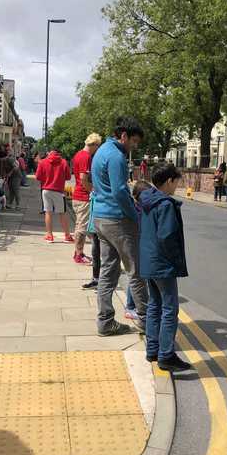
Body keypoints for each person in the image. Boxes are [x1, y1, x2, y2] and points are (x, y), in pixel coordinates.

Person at [91, 117, 148, 336]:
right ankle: (145, 320)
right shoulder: (116, 156)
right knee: (136, 271)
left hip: (101, 218)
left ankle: (105, 322)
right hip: (118, 220)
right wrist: (135, 215)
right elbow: (119, 191)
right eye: (133, 141)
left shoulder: (101, 152)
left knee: (108, 271)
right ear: (123, 135)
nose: (134, 146)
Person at [139, 164, 192, 372]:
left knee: (154, 305)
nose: (178, 186)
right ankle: (166, 355)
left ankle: (152, 350)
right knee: (170, 309)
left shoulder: (146, 199)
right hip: (163, 263)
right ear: (169, 181)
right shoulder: (166, 204)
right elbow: (167, 236)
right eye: (177, 181)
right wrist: (176, 262)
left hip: (148, 260)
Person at [71, 133, 102, 263]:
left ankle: (78, 253)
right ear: (94, 145)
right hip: (83, 196)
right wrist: (92, 190)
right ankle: (79, 255)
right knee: (82, 227)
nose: (98, 149)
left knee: (80, 225)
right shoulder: (86, 157)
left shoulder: (78, 154)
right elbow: (83, 178)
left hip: (77, 195)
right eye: (98, 146)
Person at [125, 179, 152, 321]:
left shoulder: (137, 208)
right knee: (137, 277)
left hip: (139, 246)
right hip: (137, 246)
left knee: (137, 277)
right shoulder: (137, 210)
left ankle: (131, 306)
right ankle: (131, 306)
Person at [35, 148, 73, 243]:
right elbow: (68, 177)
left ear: (49, 153)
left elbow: (38, 177)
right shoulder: (63, 162)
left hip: (46, 190)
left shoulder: (43, 162)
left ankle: (49, 235)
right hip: (59, 191)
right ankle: (67, 235)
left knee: (48, 212)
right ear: (58, 153)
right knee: (62, 213)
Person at [3, 144, 23, 210]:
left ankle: (18, 205)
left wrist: (9, 173)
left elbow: (16, 167)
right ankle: (9, 204)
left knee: (15, 190)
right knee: (11, 190)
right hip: (13, 176)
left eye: (9, 150)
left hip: (16, 176)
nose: (8, 152)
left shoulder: (10, 159)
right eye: (7, 150)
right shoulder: (7, 158)